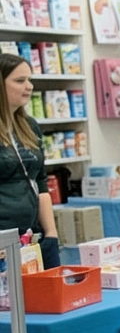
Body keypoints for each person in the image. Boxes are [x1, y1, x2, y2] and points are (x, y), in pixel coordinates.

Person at [0, 53, 58, 267]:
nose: (29, 86)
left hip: (31, 236)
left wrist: (51, 233)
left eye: (29, 79)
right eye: (19, 81)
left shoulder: (29, 126)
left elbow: (41, 182)